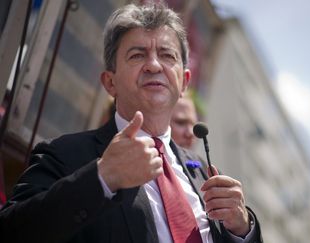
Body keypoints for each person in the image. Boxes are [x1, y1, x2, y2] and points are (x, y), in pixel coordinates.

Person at [0, 3, 263, 243]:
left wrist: (241, 230)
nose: (153, 65)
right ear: (110, 82)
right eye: (137, 55)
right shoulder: (63, 155)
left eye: (167, 55)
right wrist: (103, 178)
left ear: (184, 82)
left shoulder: (203, 172)